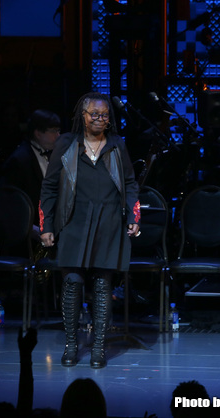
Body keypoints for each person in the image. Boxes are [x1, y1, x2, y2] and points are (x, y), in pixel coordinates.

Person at [39, 92, 140, 369]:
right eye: (94, 114)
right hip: (74, 222)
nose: (99, 119)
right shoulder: (67, 144)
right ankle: (72, 344)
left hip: (108, 222)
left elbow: (130, 183)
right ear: (81, 116)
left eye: (104, 115)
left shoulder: (117, 145)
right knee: (72, 283)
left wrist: (134, 214)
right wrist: (47, 225)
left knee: (102, 286)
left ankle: (98, 347)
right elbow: (49, 187)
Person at [0, 109, 61, 234]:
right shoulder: (19, 161)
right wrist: (33, 230)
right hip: (30, 234)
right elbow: (11, 206)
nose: (58, 136)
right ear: (38, 133)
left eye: (58, 131)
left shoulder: (54, 155)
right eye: (54, 131)